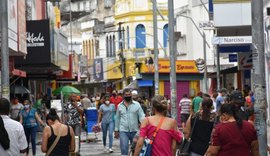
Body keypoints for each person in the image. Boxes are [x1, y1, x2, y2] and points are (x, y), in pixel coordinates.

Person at [114, 88, 145, 155]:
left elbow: (142, 116)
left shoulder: (137, 105)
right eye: (126, 95)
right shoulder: (119, 106)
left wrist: (143, 125)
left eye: (129, 94)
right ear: (123, 96)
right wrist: (116, 130)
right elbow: (117, 118)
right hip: (123, 130)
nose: (128, 96)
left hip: (135, 130)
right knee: (124, 148)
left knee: (135, 149)